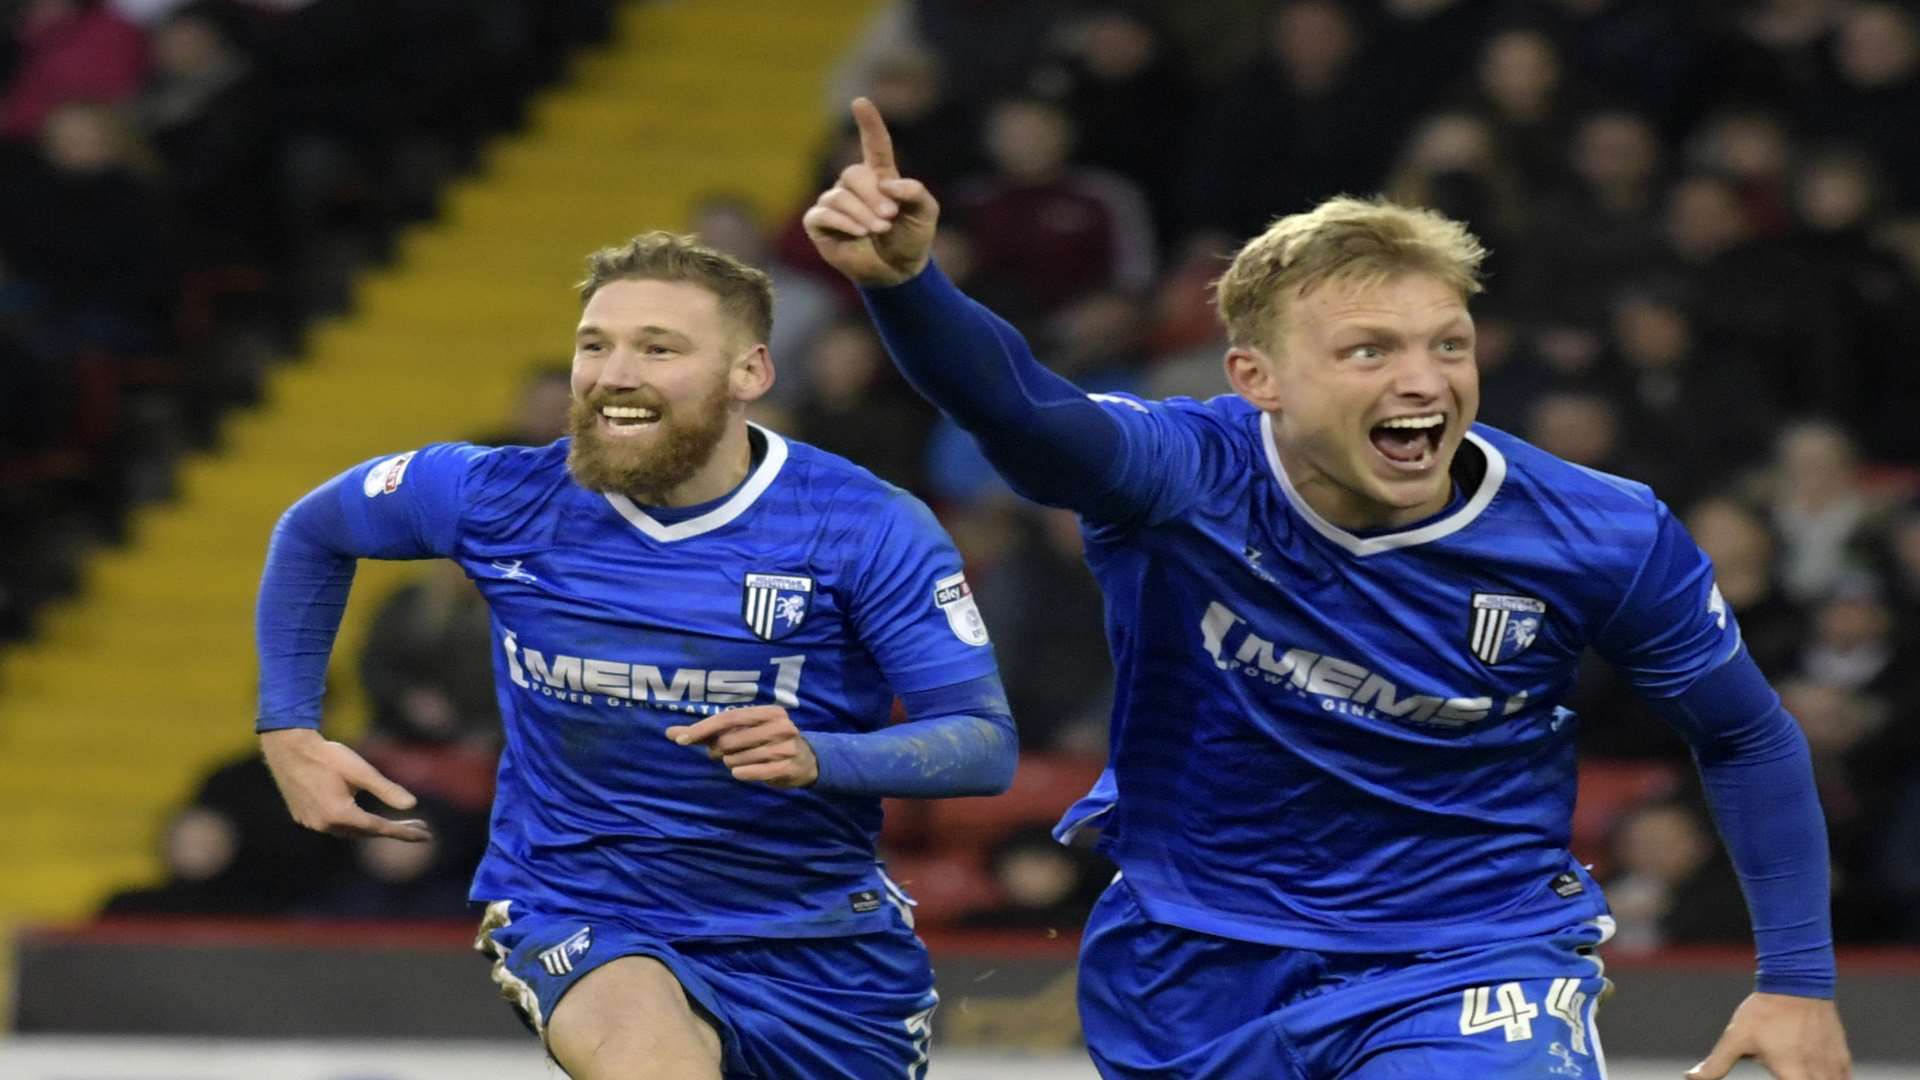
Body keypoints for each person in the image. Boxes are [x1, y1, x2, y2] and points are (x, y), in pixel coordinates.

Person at [805, 98, 1851, 1080]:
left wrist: (1797, 979)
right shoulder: (1183, 474)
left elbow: (1745, 734)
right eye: (1370, 350)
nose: (1425, 381)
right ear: (1257, 378)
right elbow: (1024, 410)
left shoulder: (1601, 530)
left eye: (1450, 344)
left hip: (1469, 956)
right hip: (1192, 957)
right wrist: (907, 285)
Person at [252, 230, 1017, 1080]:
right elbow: (314, 530)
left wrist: (818, 756)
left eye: (659, 349)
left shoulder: (865, 525)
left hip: (819, 942)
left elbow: (983, 743)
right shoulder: (495, 495)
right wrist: (288, 726)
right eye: (595, 344)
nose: (615, 373)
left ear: (750, 374)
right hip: (584, 908)